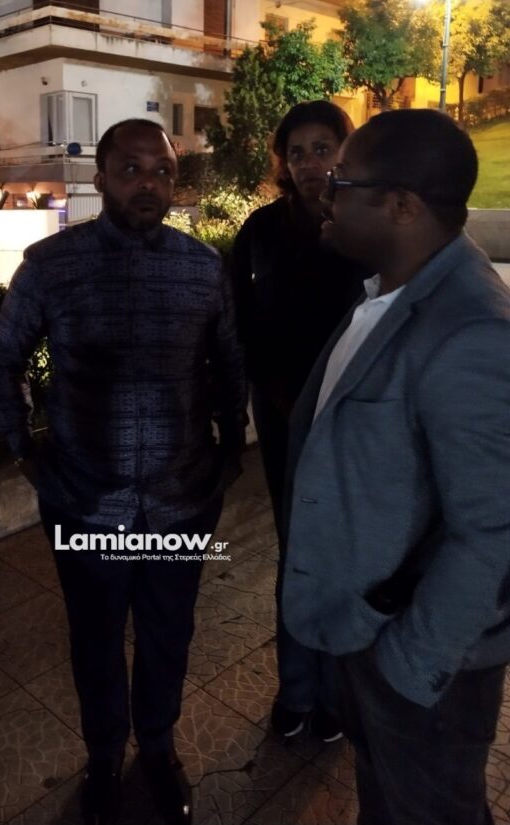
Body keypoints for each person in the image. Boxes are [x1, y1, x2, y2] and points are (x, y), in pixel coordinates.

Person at [0, 118, 247, 825]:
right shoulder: (52, 265)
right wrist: (23, 448)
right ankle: (104, 755)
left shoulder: (202, 268)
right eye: (130, 169)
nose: (148, 184)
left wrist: (229, 452)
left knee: (169, 633)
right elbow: (5, 356)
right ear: (100, 178)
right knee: (95, 638)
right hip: (84, 501)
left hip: (180, 500)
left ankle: (158, 748)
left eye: (162, 171)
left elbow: (229, 364)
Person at [282, 108, 510, 825]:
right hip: (368, 628)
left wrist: (407, 664)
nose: (325, 193)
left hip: (423, 668)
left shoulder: (471, 332)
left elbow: (494, 532)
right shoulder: (390, 290)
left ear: (402, 206)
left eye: (342, 181)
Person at [230, 100, 366, 741]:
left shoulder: (366, 226)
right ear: (283, 162)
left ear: (345, 151)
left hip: (355, 419)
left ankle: (336, 693)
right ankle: (297, 687)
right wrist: (262, 392)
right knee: (297, 549)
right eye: (297, 152)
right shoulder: (261, 230)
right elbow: (239, 320)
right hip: (284, 412)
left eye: (322, 148)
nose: (310, 163)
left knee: (346, 551)